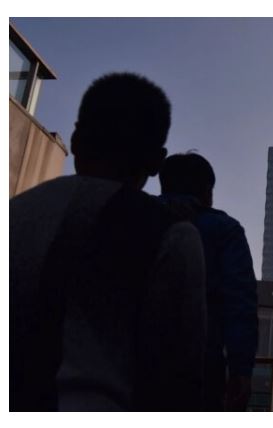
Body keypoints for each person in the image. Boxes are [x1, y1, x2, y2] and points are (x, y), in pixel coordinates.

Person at [10, 73, 207, 411]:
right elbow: (181, 376)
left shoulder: (16, 215)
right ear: (157, 161)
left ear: (75, 139)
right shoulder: (171, 237)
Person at [159, 153, 258, 411]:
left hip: (128, 363)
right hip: (200, 360)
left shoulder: (132, 217)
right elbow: (240, 303)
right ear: (207, 191)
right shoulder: (224, 230)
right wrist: (240, 369)